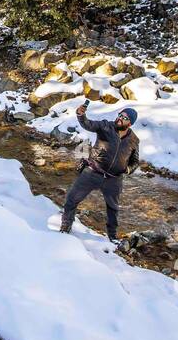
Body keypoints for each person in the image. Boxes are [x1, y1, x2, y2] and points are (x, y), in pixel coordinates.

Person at [59, 102, 140, 242]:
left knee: (113, 209)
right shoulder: (105, 126)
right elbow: (87, 124)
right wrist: (81, 114)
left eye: (125, 117)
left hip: (113, 179)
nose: (120, 118)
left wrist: (128, 169)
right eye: (120, 115)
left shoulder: (134, 140)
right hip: (92, 172)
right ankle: (65, 227)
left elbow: (135, 161)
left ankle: (112, 237)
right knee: (71, 200)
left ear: (130, 123)